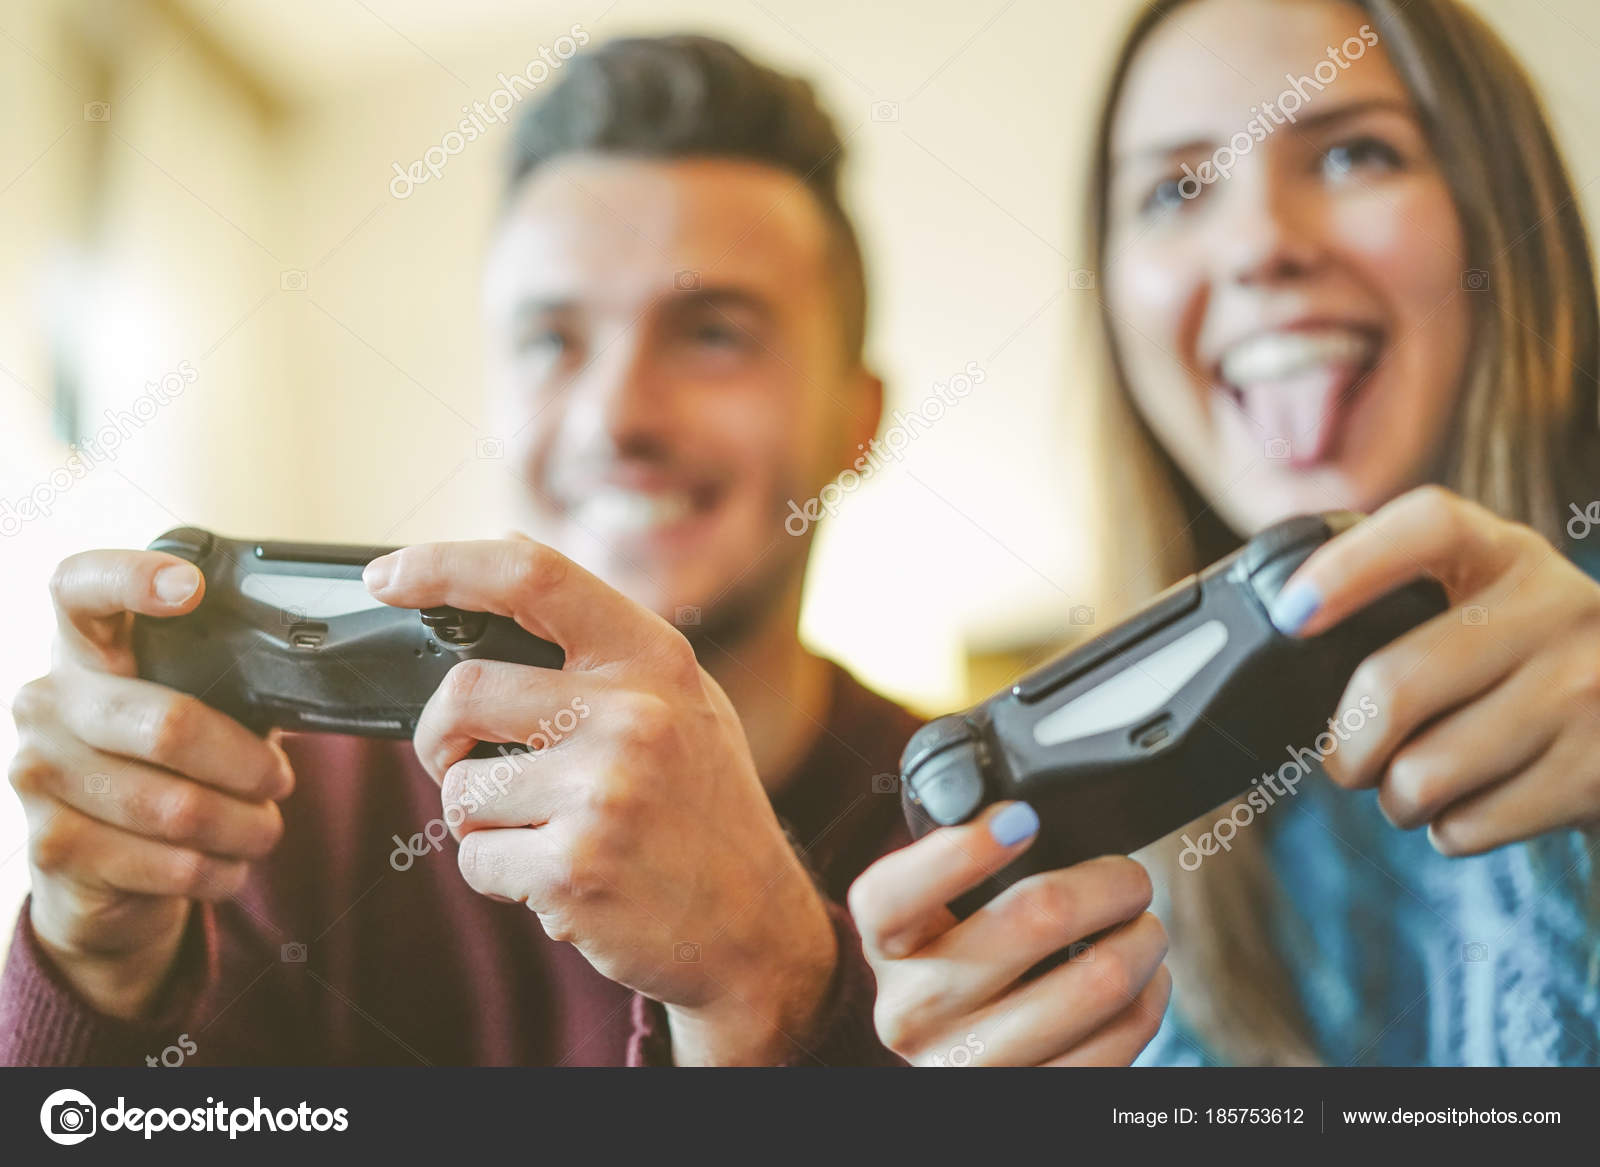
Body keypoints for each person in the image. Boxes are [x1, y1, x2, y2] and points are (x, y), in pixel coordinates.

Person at [2, 35, 924, 1067]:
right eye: (551, 340)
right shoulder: (278, 819)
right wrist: (95, 974)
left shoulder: (978, 833)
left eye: (711, 332)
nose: (614, 417)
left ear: (859, 418)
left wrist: (782, 995)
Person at [853, 0, 1600, 1066]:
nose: (1256, 246)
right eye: (1176, 189)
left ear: (1500, 208)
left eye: (1351, 152)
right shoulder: (1123, 896)